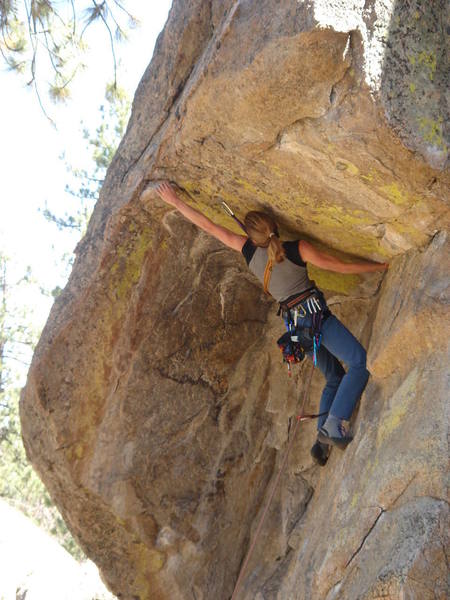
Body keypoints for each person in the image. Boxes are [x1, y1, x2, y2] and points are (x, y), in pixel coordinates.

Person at [156, 182, 388, 465]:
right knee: (359, 362)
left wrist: (175, 201)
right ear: (275, 226)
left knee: (334, 376)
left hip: (297, 330)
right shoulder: (297, 249)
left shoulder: (248, 252)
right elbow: (338, 266)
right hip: (317, 319)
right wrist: (377, 266)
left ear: (252, 238)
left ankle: (320, 443)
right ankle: (335, 425)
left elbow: (210, 227)